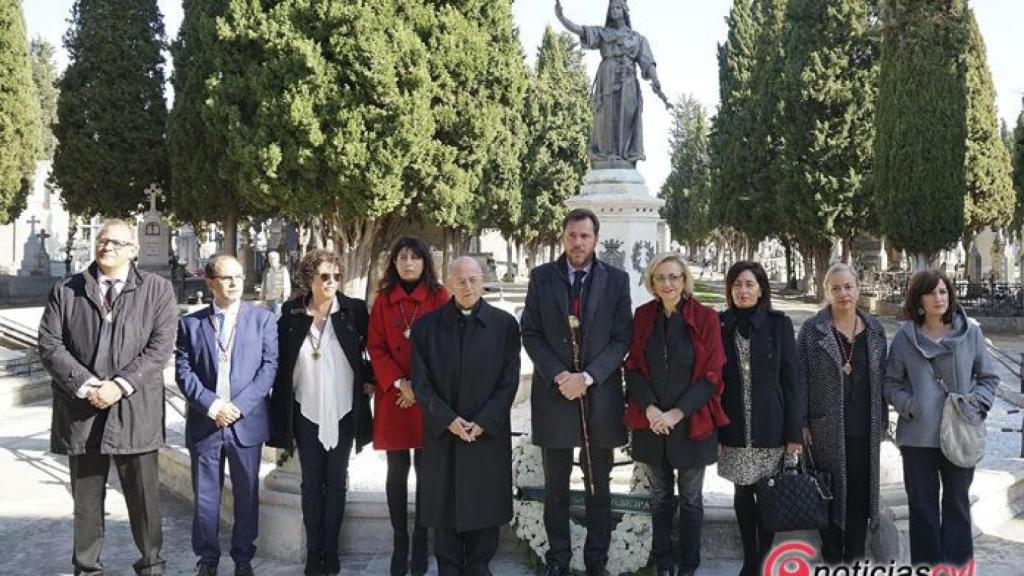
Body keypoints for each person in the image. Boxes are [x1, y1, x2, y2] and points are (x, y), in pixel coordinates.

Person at [37, 219, 177, 576]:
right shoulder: (67, 289)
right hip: (81, 411)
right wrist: (86, 385)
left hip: (135, 410)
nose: (107, 247)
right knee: (86, 503)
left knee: (143, 499)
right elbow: (50, 344)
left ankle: (151, 565)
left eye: (116, 242)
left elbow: (160, 348)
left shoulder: (157, 290)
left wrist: (121, 384)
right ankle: (86, 569)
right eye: (102, 240)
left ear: (133, 249)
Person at [521, 208, 633, 576]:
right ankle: (558, 559)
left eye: (585, 236)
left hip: (599, 396)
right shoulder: (542, 277)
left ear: (595, 239)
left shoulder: (616, 280)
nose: (578, 243)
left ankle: (595, 560)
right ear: (563, 237)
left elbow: (622, 338)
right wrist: (559, 376)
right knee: (556, 485)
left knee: (597, 484)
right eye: (572, 235)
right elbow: (531, 333)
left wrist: (588, 376)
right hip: (554, 396)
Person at [410, 257, 521, 576]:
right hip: (444, 431)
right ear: (449, 284)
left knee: (484, 498)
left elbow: (509, 379)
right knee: (442, 499)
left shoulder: (504, 324)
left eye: (473, 279)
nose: (467, 286)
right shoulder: (427, 327)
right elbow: (421, 382)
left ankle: (478, 564)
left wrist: (484, 420)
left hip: (487, 431)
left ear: (483, 280)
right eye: (460, 281)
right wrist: (448, 420)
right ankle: (448, 564)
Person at [882, 269, 999, 567]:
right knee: (922, 509)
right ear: (918, 299)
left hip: (960, 435)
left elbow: (988, 377)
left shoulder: (970, 331)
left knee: (957, 505)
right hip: (918, 438)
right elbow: (890, 382)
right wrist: (910, 405)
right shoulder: (905, 338)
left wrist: (978, 405)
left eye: (944, 291)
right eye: (932, 292)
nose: (939, 297)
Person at [268, 249, 374, 576]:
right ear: (309, 279)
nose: (331, 282)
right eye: (324, 276)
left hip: (343, 409)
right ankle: (315, 552)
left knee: (337, 482)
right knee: (311, 483)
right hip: (305, 410)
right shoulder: (291, 313)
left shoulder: (353, 310)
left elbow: (372, 350)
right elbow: (279, 360)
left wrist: (369, 379)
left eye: (336, 276)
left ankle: (332, 549)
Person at [624, 253, 728, 576]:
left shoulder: (706, 317)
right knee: (659, 497)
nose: (667, 283)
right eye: (660, 277)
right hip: (652, 423)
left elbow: (712, 375)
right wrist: (652, 409)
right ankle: (664, 561)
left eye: (674, 277)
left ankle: (688, 563)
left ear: (684, 281)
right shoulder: (642, 317)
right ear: (651, 282)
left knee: (692, 499)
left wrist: (678, 413)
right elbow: (633, 368)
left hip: (691, 422)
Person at [175, 255, 279, 576]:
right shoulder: (190, 324)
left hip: (245, 422)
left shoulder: (262, 321)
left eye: (238, 276)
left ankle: (243, 557)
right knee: (206, 496)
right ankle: (207, 558)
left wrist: (238, 407)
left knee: (247, 493)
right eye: (225, 278)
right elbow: (184, 372)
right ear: (209, 283)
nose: (234, 283)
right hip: (206, 423)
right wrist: (213, 406)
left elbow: (269, 367)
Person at [368, 237, 450, 576]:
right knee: (396, 471)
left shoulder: (439, 296)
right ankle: (400, 540)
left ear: (425, 262)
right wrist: (399, 383)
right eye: (402, 257)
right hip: (394, 397)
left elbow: (447, 342)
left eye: (415, 257)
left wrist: (419, 387)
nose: (408, 263)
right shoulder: (383, 300)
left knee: (428, 472)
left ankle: (421, 538)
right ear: (394, 263)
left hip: (427, 397)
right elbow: (375, 346)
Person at [716, 261, 803, 576]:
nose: (743, 290)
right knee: (742, 492)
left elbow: (792, 381)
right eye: (737, 284)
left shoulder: (779, 325)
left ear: (761, 289)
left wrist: (794, 432)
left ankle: (763, 560)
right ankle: (749, 559)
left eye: (749, 284)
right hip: (734, 425)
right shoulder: (719, 323)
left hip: (771, 424)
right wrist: (714, 433)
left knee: (767, 493)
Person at [798, 263, 888, 564]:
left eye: (848, 286)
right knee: (829, 489)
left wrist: (884, 421)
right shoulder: (813, 330)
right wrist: (802, 421)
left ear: (857, 288)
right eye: (836, 288)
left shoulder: (874, 330)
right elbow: (799, 378)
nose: (843, 293)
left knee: (861, 491)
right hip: (825, 427)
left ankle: (856, 552)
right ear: (827, 291)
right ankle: (833, 553)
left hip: (865, 425)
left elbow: (883, 379)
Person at [554, 0, 670, 167]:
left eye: (618, 7)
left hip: (628, 79)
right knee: (605, 118)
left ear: (625, 11)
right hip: (606, 79)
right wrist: (561, 17)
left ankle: (625, 156)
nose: (614, 11)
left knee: (627, 115)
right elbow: (580, 30)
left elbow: (647, 62)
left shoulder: (637, 38)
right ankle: (606, 156)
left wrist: (656, 80)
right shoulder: (603, 33)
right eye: (612, 8)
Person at [261, 250, 291, 316]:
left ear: (278, 259)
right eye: (270, 258)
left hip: (279, 298)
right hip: (269, 297)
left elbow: (286, 283)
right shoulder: (267, 271)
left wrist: (286, 295)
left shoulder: (282, 269)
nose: (271, 260)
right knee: (269, 315)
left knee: (277, 314)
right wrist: (262, 294)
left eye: (273, 258)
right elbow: (264, 283)